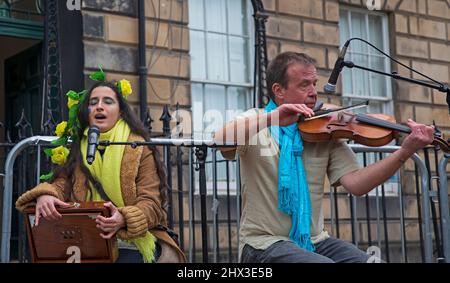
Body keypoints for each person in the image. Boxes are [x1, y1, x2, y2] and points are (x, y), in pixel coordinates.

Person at [213, 52, 435, 263]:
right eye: (304, 85)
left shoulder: (324, 129)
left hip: (314, 240)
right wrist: (273, 118)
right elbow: (220, 140)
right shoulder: (256, 120)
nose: (313, 92)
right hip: (263, 243)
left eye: (314, 84)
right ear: (279, 90)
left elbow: (357, 184)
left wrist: (405, 151)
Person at [16, 80, 186, 263]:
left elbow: (151, 203)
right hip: (84, 242)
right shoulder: (76, 148)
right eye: (93, 102)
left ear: (120, 111)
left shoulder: (139, 148)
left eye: (108, 101)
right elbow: (61, 185)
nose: (99, 107)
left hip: (130, 242)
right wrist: (46, 196)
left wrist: (123, 218)